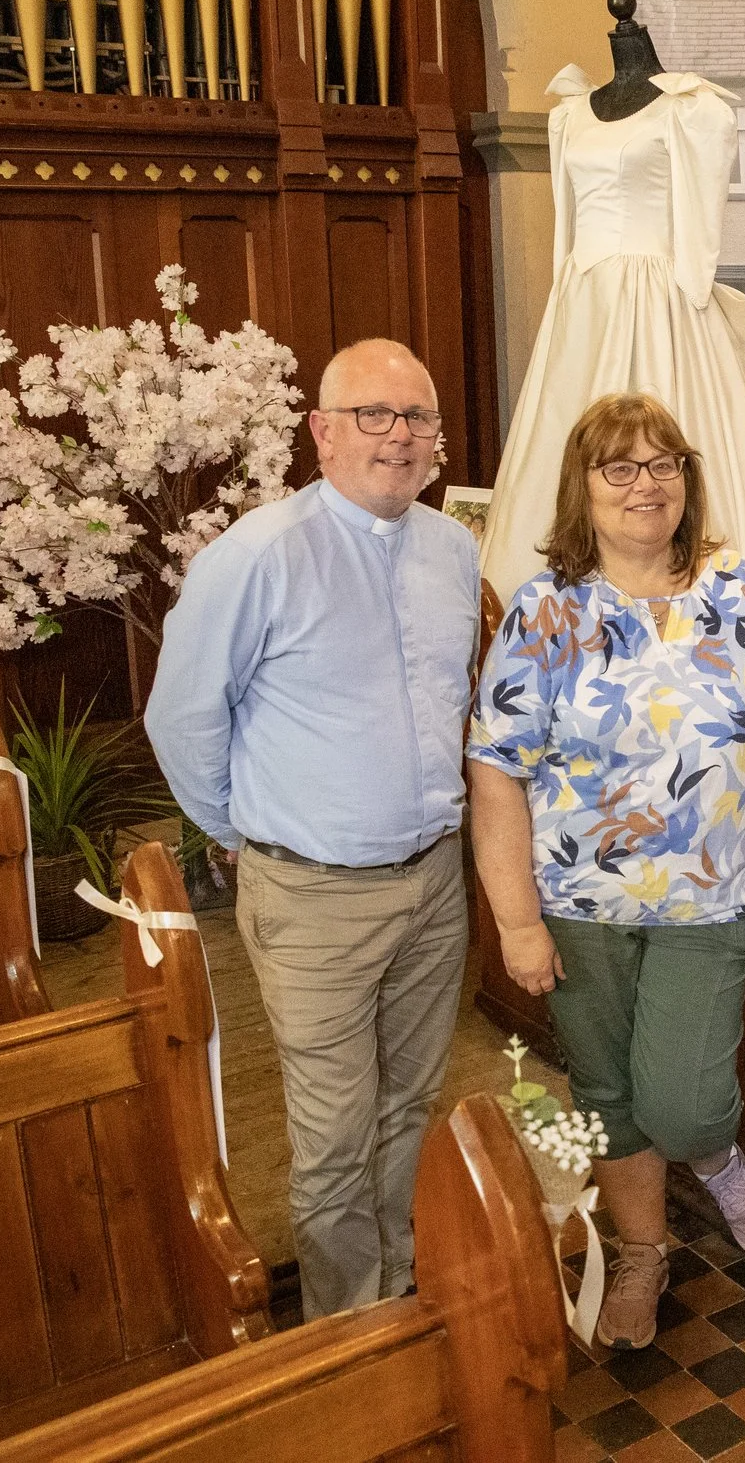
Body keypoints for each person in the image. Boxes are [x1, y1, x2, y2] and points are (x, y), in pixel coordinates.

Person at [467, 392, 745, 1352]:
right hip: (576, 902)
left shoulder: (738, 593)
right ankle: (644, 1251)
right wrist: (516, 920)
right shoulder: (544, 610)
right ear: (584, 485)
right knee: (608, 1093)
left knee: (682, 1099)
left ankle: (718, 1156)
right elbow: (495, 772)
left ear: (688, 481)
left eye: (664, 464)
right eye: (619, 466)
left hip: (711, 894)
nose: (644, 484)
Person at [147, 338, 481, 1320]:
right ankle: (352, 1338)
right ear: (322, 432)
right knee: (334, 1136)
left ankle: (400, 1287)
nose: (399, 435)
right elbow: (182, 717)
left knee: (407, 1108)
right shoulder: (254, 554)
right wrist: (243, 827)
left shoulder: (453, 548)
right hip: (314, 897)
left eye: (416, 416)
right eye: (373, 414)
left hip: (436, 880)